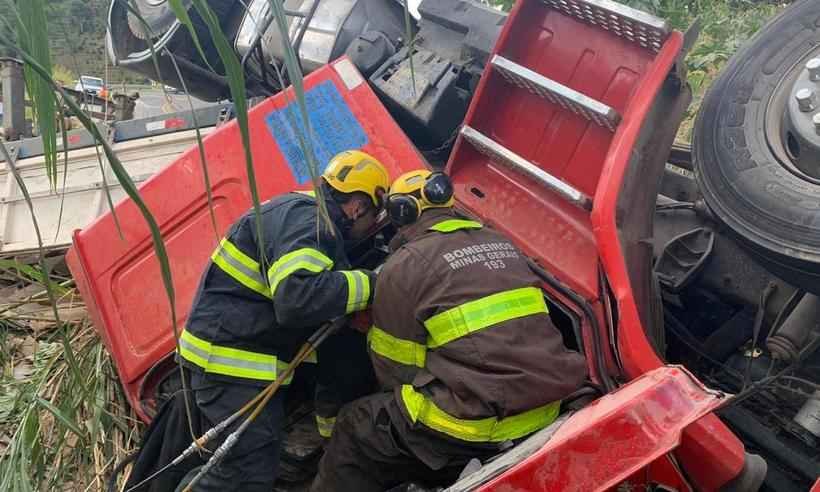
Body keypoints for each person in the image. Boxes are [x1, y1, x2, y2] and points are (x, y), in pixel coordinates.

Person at [127, 150, 390, 492]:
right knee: (246, 475)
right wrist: (372, 283)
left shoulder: (295, 213)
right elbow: (298, 298)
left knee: (211, 464)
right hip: (232, 368)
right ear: (357, 205)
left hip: (216, 361)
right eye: (375, 214)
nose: (373, 224)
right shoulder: (311, 223)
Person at [312, 169, 588, 492]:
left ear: (402, 216)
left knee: (354, 427)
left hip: (475, 423)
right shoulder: (503, 243)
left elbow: (395, 372)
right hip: (547, 404)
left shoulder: (403, 266)